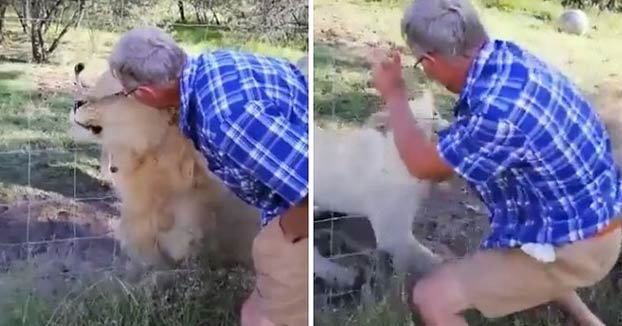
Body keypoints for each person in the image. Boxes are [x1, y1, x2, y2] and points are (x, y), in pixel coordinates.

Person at [370, 0, 622, 325]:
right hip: (592, 218)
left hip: (580, 244)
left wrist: (394, 94)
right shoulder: (508, 58)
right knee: (520, 251)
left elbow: (423, 165)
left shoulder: (497, 112)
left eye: (420, 62)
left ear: (431, 61)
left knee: (432, 297)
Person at [107, 26, 309, 326]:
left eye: (129, 93)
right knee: (253, 312)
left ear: (147, 93)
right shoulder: (212, 65)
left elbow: (307, 183)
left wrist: (281, 238)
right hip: (286, 209)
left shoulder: (226, 120)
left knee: (264, 320)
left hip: (299, 218)